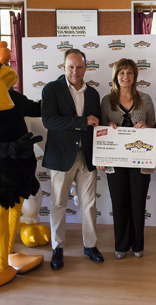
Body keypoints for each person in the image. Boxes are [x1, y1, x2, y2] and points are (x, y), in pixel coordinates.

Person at [41, 48, 103, 270]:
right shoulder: (51, 89)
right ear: (64, 67)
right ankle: (57, 249)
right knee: (58, 203)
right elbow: (49, 121)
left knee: (89, 205)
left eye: (79, 66)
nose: (75, 71)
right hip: (60, 156)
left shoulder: (94, 94)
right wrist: (81, 122)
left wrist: (102, 154)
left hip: (87, 157)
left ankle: (90, 245)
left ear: (86, 67)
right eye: (71, 67)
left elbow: (98, 127)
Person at [97, 58, 156, 260]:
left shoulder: (146, 99)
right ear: (115, 76)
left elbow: (154, 129)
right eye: (121, 72)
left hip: (140, 160)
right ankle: (121, 245)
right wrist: (108, 129)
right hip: (115, 161)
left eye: (129, 72)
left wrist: (147, 128)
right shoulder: (107, 100)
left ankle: (138, 244)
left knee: (138, 202)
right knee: (119, 202)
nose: (125, 76)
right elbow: (100, 131)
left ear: (135, 76)